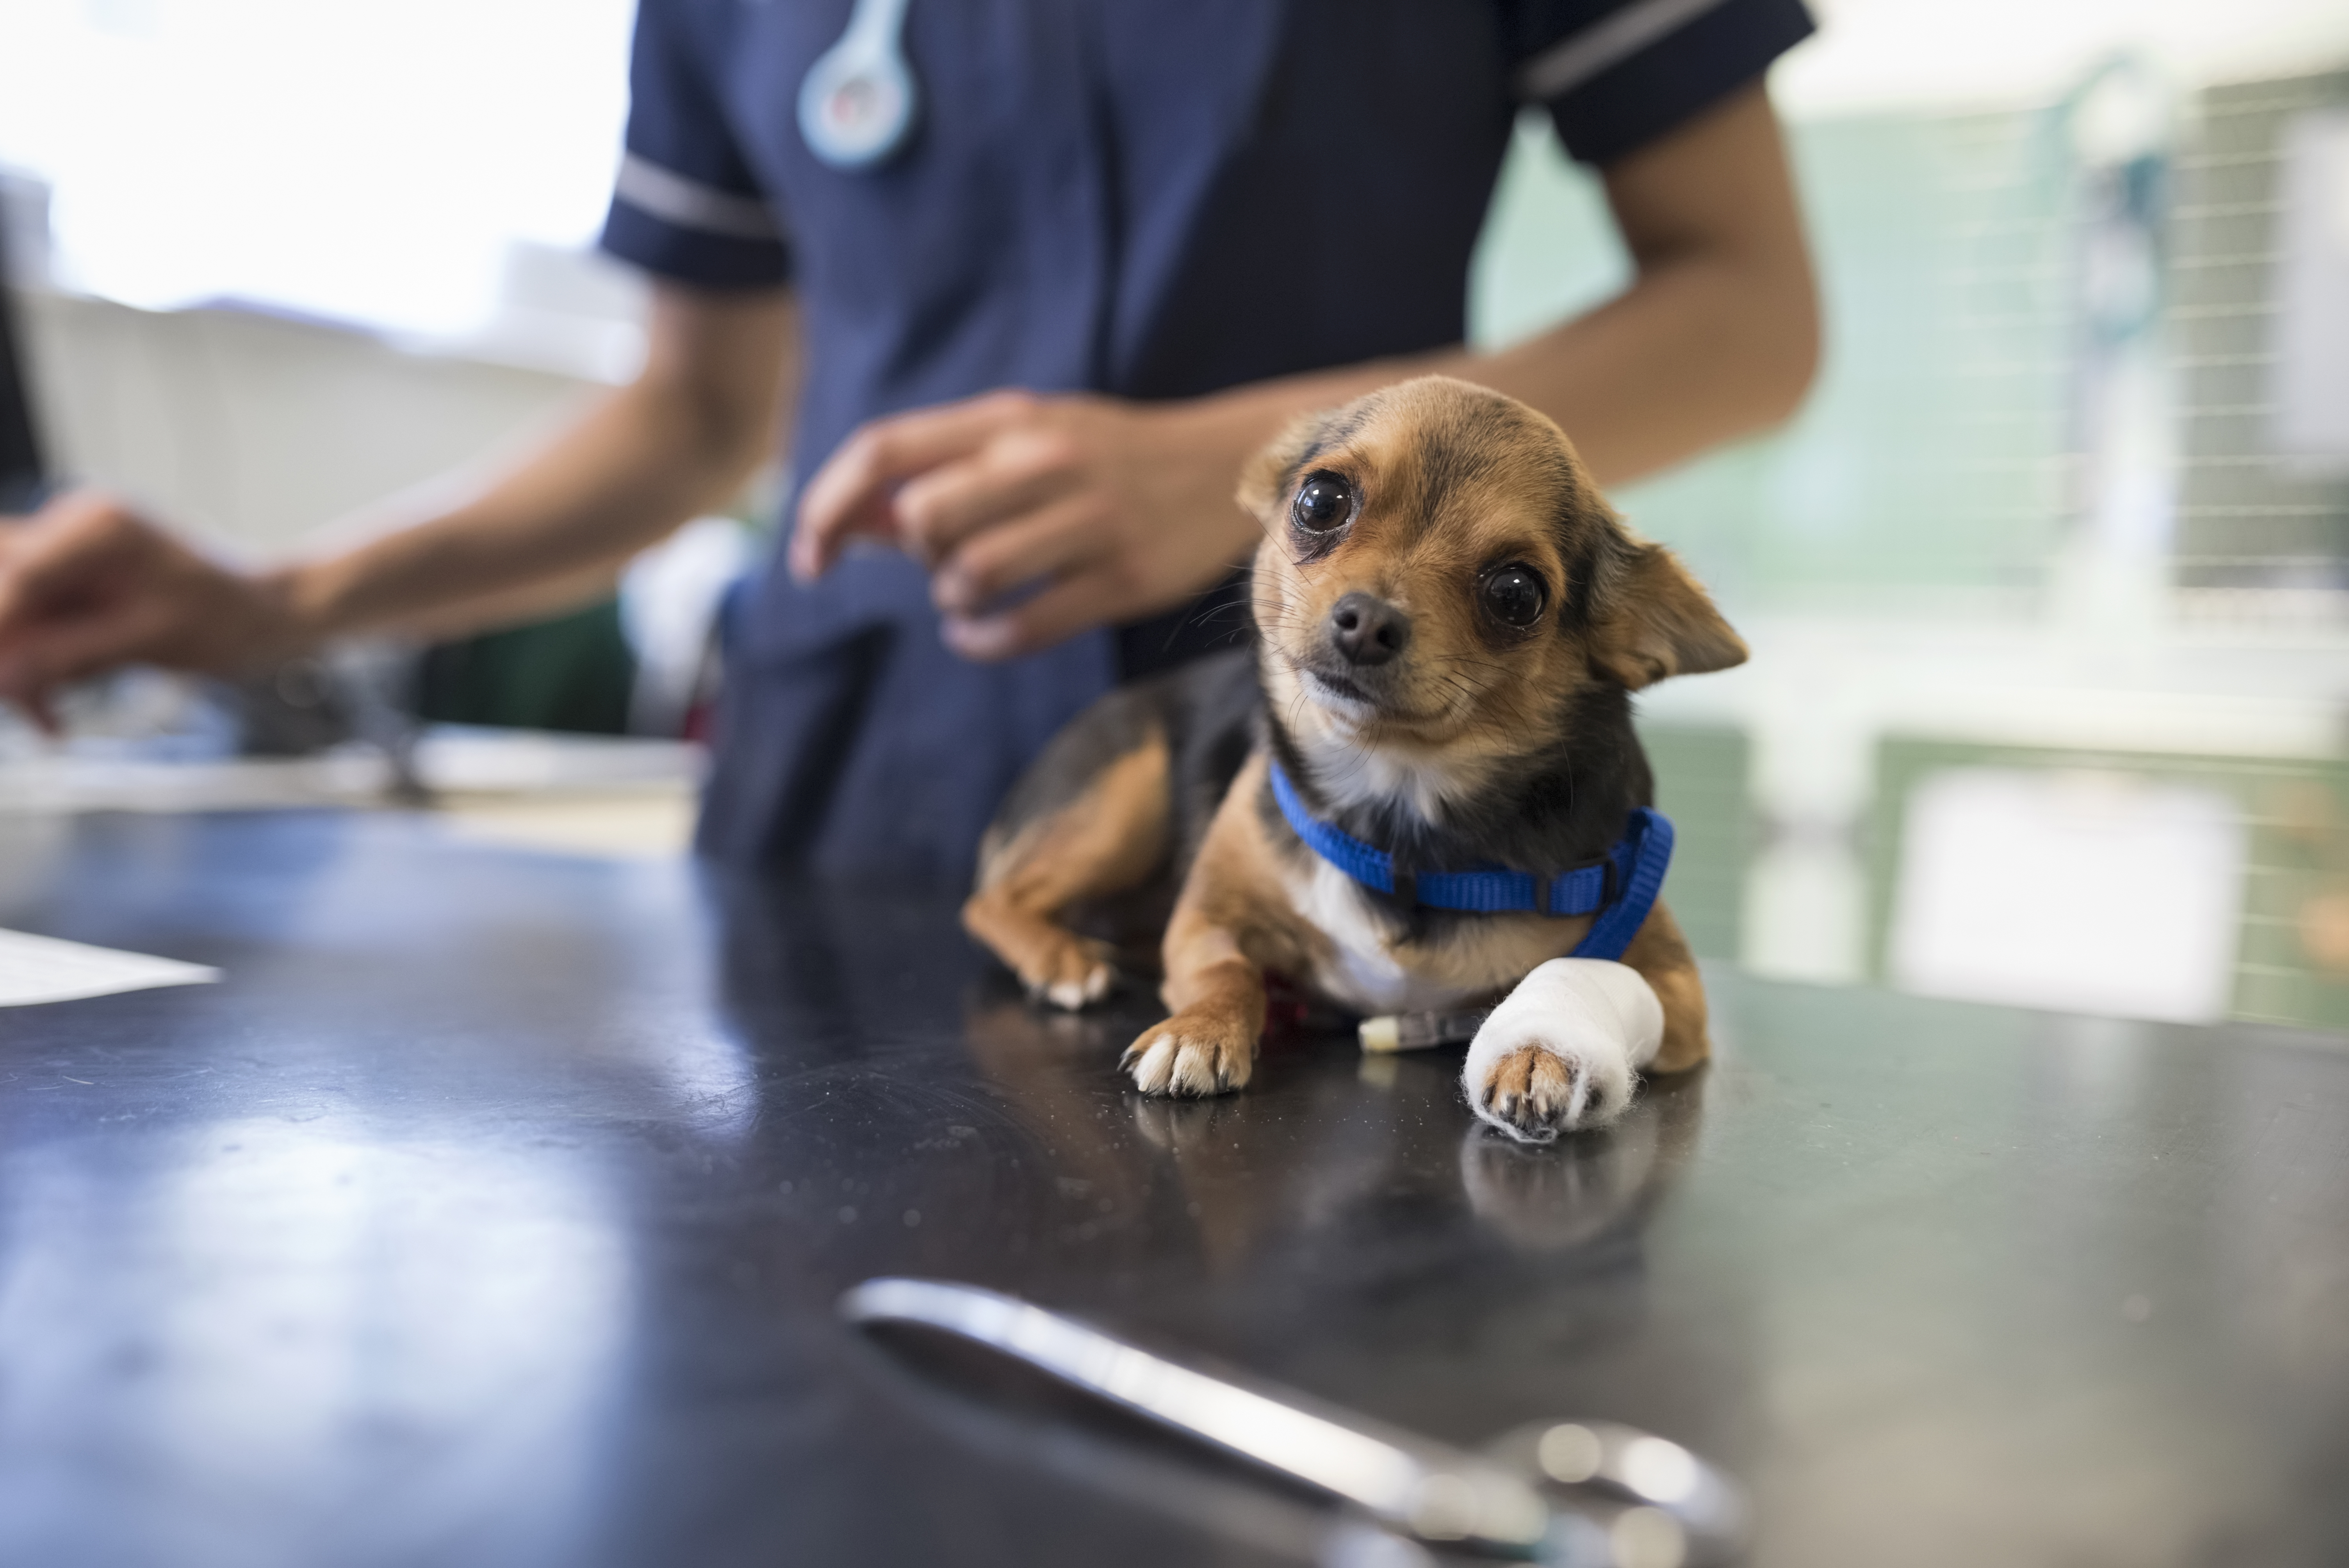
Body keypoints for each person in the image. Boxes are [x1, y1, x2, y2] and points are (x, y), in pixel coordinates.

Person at [0, 0, 1820, 880]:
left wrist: (1240, 481)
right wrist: (280, 596)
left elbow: (1747, 306)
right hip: (853, 788)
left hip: (1323, 797)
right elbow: (698, 411)